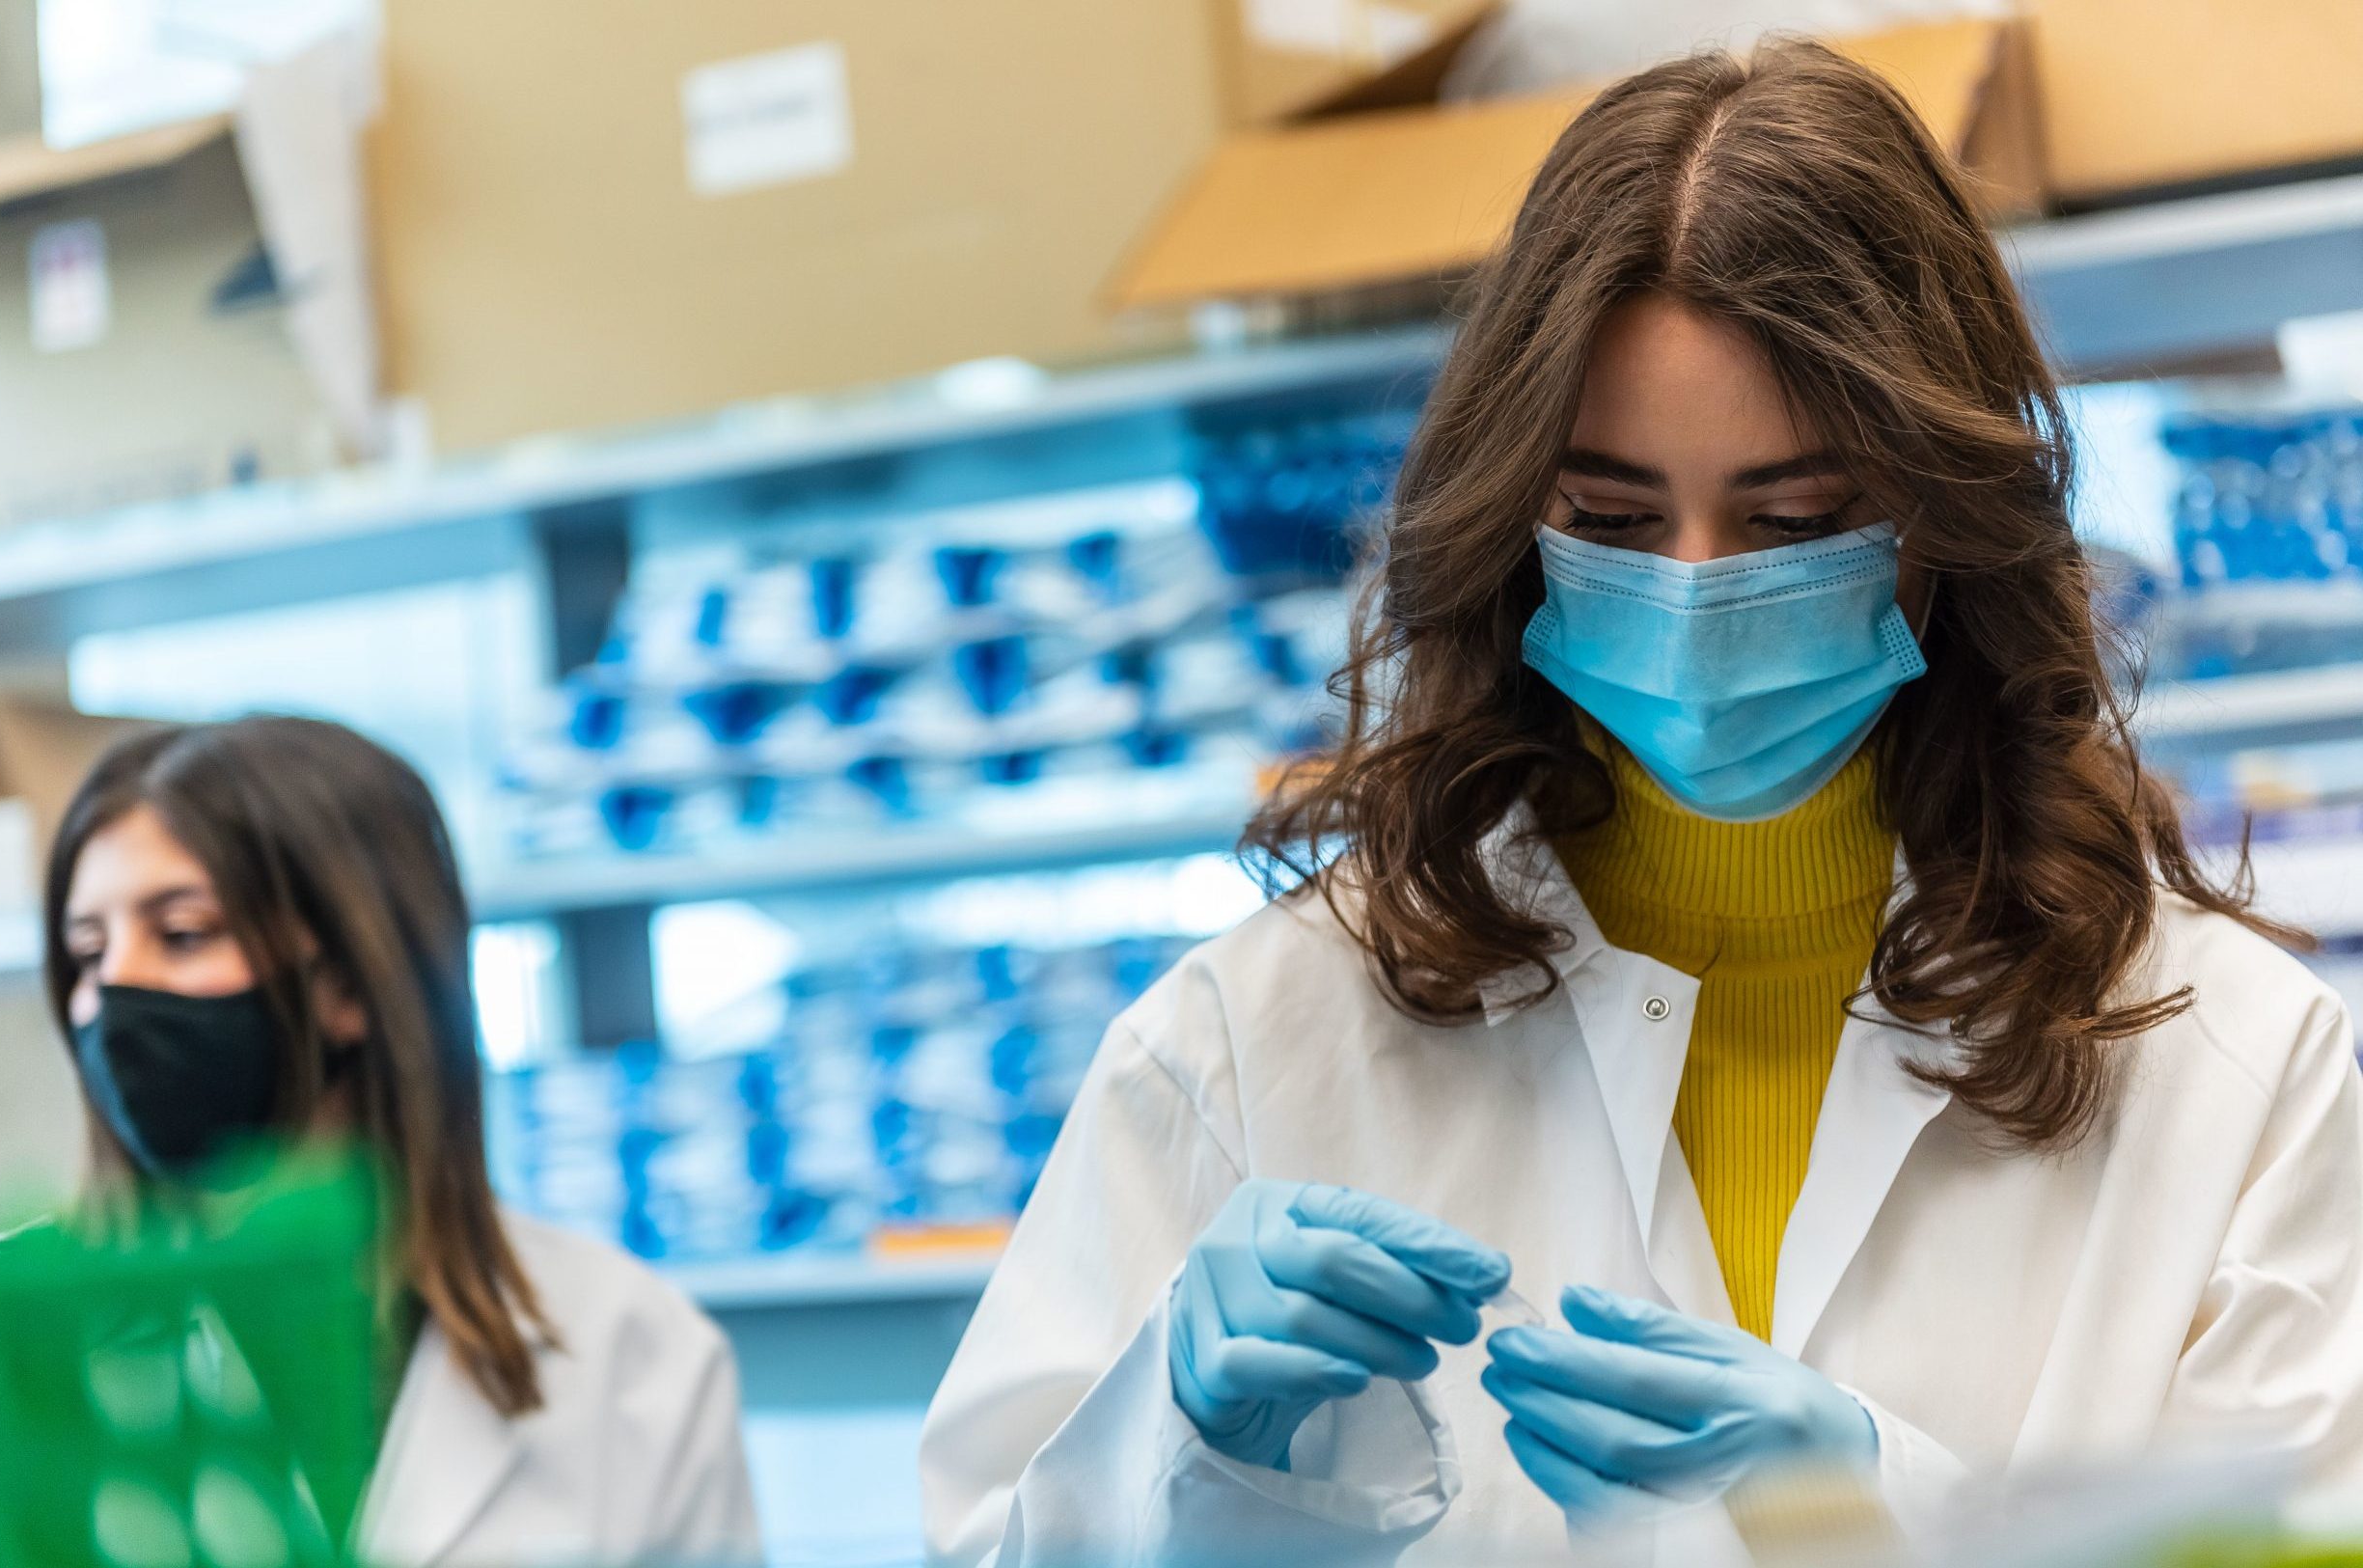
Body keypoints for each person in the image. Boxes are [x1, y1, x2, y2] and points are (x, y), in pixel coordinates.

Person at [918, 37, 2363, 1564]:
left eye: (1795, 518)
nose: (1693, 592)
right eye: (1610, 516)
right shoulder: (1249, 1054)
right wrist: (1182, 1467)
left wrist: (1881, 1516)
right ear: (1508, 510)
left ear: (1948, 516)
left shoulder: (2231, 1070)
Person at [42, 715, 763, 1568]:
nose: (116, 992)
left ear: (352, 977)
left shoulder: (632, 1348)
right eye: (87, 955)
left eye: (185, 933)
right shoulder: (3, 1352)